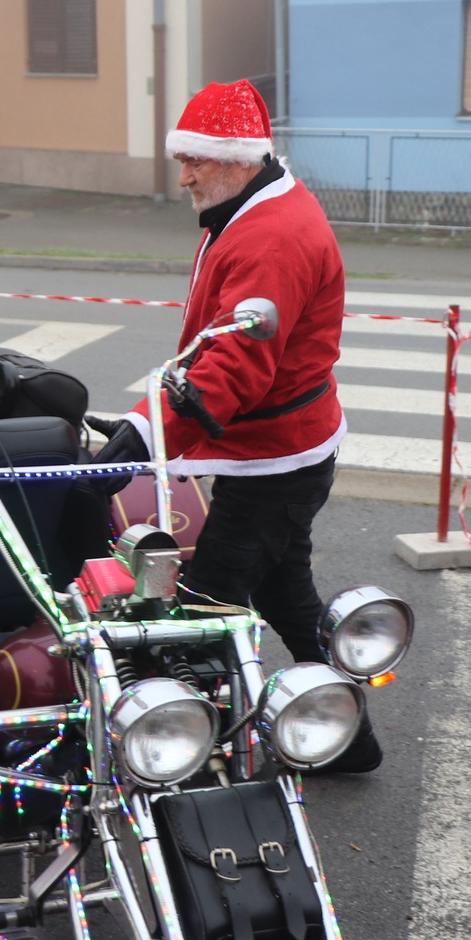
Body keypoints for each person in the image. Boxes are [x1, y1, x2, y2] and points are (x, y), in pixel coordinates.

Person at [93, 79, 382, 772]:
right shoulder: (257, 205)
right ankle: (349, 740)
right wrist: (145, 426)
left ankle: (190, 758)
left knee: (205, 614)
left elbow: (232, 371)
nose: (184, 173)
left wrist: (143, 438)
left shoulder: (270, 236)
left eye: (197, 158)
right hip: (287, 449)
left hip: (276, 459)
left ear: (240, 158)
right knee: (287, 591)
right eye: (181, 156)